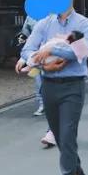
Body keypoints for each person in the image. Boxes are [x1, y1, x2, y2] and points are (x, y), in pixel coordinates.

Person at [19, 0, 88, 175]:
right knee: (60, 135)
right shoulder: (43, 24)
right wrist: (41, 64)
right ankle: (76, 169)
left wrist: (50, 48)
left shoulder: (84, 24)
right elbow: (28, 49)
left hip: (73, 86)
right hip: (48, 85)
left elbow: (79, 52)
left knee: (68, 135)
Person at [16, 15, 57, 149]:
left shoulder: (63, 18)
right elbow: (29, 39)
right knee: (44, 89)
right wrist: (25, 58)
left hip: (62, 65)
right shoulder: (34, 19)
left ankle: (55, 130)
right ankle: (52, 128)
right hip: (40, 62)